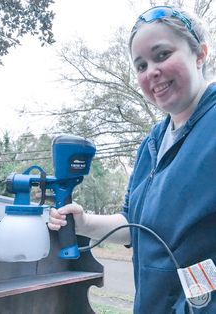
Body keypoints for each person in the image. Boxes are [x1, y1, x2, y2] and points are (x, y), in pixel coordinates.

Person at [48, 5, 216, 313]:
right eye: (140, 65)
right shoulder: (152, 142)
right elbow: (134, 224)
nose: (151, 71)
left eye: (162, 54)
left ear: (200, 54)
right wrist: (84, 222)